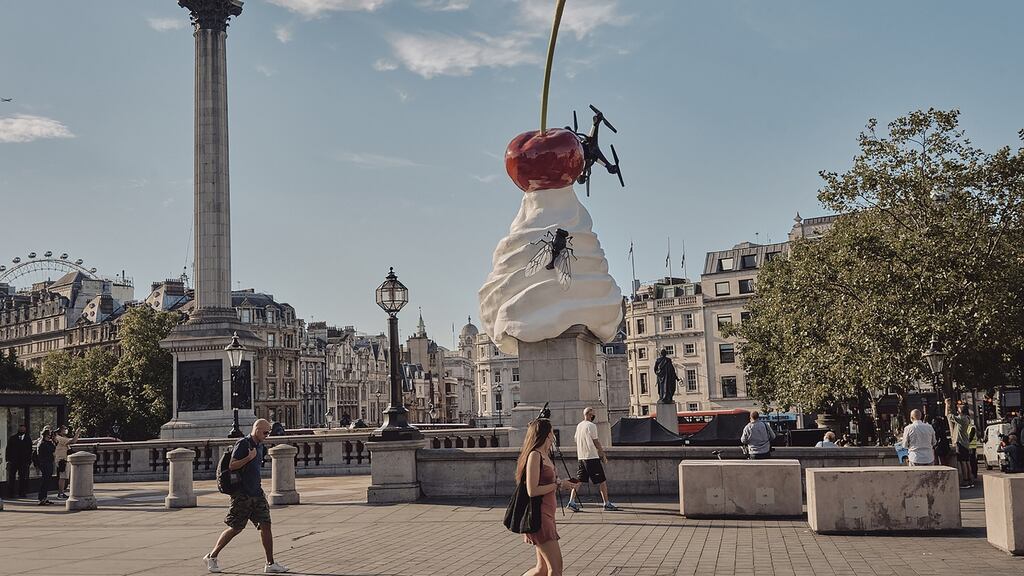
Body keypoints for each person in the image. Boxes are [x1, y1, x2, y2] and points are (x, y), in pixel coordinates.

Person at [204, 419, 288, 574]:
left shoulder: (260, 446)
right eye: (265, 432)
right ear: (256, 429)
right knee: (235, 528)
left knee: (266, 525)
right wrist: (248, 458)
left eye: (268, 432)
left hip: (257, 493)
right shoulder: (243, 443)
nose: (267, 435)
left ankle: (270, 564)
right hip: (242, 495)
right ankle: (212, 556)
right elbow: (232, 465)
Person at [516, 418, 579, 576]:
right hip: (540, 516)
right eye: (551, 432)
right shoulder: (535, 456)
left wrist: (562, 483)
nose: (553, 435)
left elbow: (548, 482)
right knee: (556, 569)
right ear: (546, 434)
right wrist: (559, 485)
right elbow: (532, 490)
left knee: (542, 569)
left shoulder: (545, 455)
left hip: (548, 515)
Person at [566, 407, 618, 512]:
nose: (593, 416)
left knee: (578, 481)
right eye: (592, 414)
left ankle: (571, 501)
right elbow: (596, 441)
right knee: (602, 481)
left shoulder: (579, 425)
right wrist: (602, 454)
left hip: (581, 457)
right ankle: (606, 503)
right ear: (589, 415)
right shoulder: (591, 426)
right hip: (591, 457)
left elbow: (576, 440)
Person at [945, 399, 973, 488]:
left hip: (960, 442)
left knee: (962, 462)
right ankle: (969, 479)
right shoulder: (967, 418)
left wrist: (947, 405)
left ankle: (965, 480)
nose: (958, 409)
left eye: (959, 408)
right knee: (967, 462)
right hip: (966, 442)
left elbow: (948, 415)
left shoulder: (961, 419)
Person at [5, 423, 32, 498]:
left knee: (23, 477)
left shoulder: (28, 439)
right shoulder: (12, 438)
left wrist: (29, 461)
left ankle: (22, 492)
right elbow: (8, 449)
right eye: (21, 429)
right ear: (18, 429)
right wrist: (8, 460)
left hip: (23, 462)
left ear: (25, 430)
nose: (22, 430)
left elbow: (30, 450)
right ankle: (11, 493)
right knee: (11, 477)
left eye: (23, 429)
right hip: (13, 461)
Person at [53, 425, 80, 499]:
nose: (66, 430)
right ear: (61, 430)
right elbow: (73, 441)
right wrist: (77, 433)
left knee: (64, 477)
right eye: (65, 429)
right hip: (62, 459)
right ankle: (60, 493)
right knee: (62, 477)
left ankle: (62, 492)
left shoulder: (62, 438)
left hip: (64, 459)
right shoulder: (59, 438)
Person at [34, 428, 56, 506]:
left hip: (48, 463)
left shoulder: (47, 442)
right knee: (45, 481)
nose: (49, 437)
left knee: (47, 481)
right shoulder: (42, 443)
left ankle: (44, 497)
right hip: (45, 464)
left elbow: (53, 448)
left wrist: (53, 441)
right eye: (48, 435)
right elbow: (51, 449)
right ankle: (41, 498)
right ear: (45, 435)